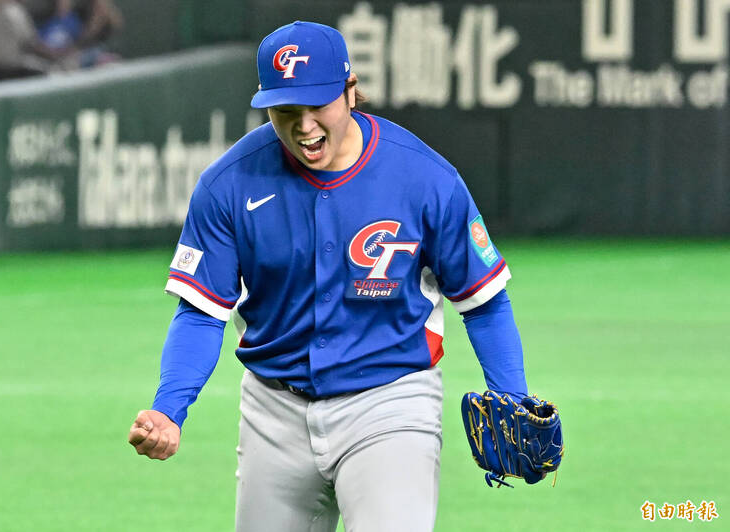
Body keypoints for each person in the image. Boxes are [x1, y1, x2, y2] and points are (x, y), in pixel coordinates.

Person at [128, 20, 528, 532]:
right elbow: (202, 314)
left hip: (390, 403)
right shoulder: (228, 184)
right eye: (285, 110)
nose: (304, 126)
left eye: (318, 104)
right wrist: (169, 408)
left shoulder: (425, 179)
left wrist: (512, 396)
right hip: (273, 412)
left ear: (350, 90)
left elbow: (484, 302)